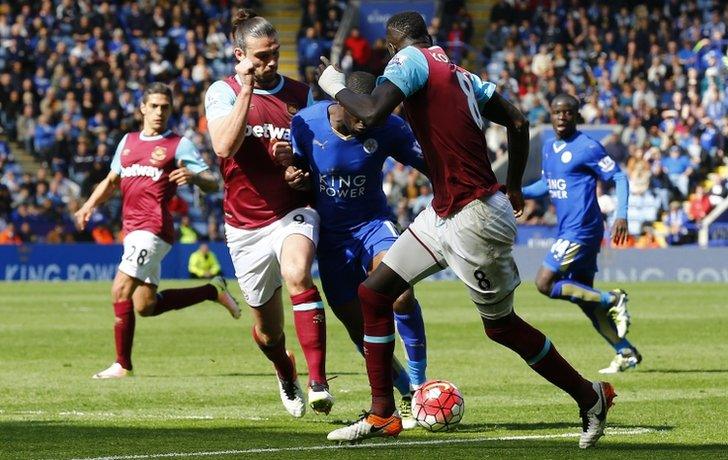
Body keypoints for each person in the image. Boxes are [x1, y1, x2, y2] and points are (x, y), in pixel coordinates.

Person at [317, 12, 614, 448]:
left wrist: (332, 82)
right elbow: (516, 120)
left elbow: (374, 114)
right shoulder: (461, 74)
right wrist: (512, 186)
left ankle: (591, 396)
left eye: (389, 51)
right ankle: (383, 414)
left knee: (501, 327)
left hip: (473, 216)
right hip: (445, 212)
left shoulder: (409, 60)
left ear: (394, 45)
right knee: (374, 292)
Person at [204, 9, 330, 418]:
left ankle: (318, 381)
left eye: (274, 53)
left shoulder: (301, 94)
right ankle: (285, 370)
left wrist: (298, 163)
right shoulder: (221, 92)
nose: (271, 62)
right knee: (268, 332)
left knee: (298, 274)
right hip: (244, 225)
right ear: (239, 55)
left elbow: (322, 160)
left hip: (292, 211)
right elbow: (223, 146)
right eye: (260, 56)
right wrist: (245, 88)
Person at [287, 71, 429, 427]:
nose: (368, 122)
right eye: (360, 115)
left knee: (400, 294)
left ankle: (419, 383)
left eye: (372, 115)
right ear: (340, 103)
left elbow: (428, 162)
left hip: (373, 225)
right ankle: (403, 391)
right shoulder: (305, 122)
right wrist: (292, 173)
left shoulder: (387, 126)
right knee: (357, 325)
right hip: (332, 239)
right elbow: (296, 169)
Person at [74, 82, 241, 380]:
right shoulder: (127, 142)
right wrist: (88, 205)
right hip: (132, 230)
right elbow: (112, 180)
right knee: (145, 306)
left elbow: (214, 182)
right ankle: (211, 290)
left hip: (153, 228)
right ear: (142, 108)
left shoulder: (179, 144)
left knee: (119, 289)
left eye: (165, 107)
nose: (159, 112)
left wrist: (194, 177)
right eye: (154, 106)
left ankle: (121, 364)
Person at [521, 94, 642, 375]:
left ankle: (612, 299)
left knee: (544, 282)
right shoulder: (550, 147)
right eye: (557, 112)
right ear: (550, 115)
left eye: (568, 112)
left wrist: (621, 214)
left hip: (582, 229)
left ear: (576, 117)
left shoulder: (587, 147)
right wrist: (518, 192)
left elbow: (620, 177)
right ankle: (625, 352)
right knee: (583, 298)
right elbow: (546, 185)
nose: (562, 117)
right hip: (570, 228)